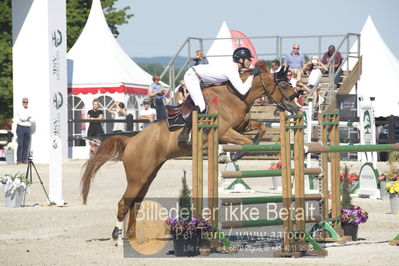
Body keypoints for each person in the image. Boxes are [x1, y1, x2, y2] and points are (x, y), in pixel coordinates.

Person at [179, 47, 260, 143]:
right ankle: (185, 132)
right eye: (248, 59)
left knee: (212, 102)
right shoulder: (232, 69)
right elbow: (243, 91)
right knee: (200, 106)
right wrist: (252, 76)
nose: (250, 61)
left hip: (201, 79)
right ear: (241, 60)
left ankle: (205, 128)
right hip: (192, 77)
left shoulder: (234, 68)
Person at [16, 97, 32, 164]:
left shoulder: (30, 110)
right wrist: (27, 118)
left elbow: (33, 119)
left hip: (28, 128)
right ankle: (19, 160)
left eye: (26, 102)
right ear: (22, 102)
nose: (25, 103)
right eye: (24, 102)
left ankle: (24, 159)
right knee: (20, 144)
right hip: (20, 128)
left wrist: (27, 118)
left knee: (26, 145)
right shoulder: (19, 109)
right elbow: (22, 118)